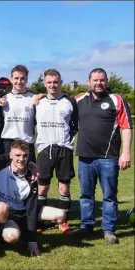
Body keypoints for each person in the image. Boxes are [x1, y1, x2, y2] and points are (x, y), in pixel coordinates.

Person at [75, 68, 132, 244]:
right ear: (88, 82)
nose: (98, 83)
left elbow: (126, 127)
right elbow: (57, 103)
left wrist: (126, 152)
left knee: (109, 195)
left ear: (106, 82)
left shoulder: (117, 100)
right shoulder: (78, 100)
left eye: (102, 80)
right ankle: (86, 226)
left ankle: (108, 230)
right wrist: (37, 97)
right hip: (84, 157)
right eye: (95, 80)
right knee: (85, 195)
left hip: (108, 157)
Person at [0, 140, 67, 256]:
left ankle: (28, 231)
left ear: (29, 156)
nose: (21, 159)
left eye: (25, 156)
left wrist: (32, 241)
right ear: (10, 155)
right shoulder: (0, 166)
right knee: (12, 236)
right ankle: (4, 232)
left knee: (61, 215)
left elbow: (32, 209)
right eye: (17, 155)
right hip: (8, 214)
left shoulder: (32, 176)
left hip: (25, 211)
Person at [34, 69, 78, 234]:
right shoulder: (37, 102)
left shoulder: (69, 101)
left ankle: (63, 222)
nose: (52, 85)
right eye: (49, 82)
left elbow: (75, 125)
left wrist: (64, 140)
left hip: (64, 149)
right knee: (42, 188)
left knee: (64, 188)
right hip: (45, 149)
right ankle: (38, 221)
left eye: (55, 82)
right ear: (44, 84)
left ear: (60, 82)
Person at [0, 65, 37, 162]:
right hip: (8, 142)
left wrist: (42, 95)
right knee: (7, 175)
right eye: (16, 78)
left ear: (27, 79)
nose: (19, 81)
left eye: (22, 78)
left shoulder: (34, 98)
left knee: (29, 175)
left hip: (27, 143)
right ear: (11, 79)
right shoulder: (4, 99)